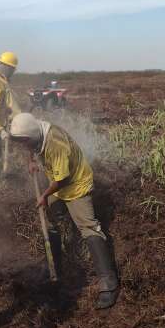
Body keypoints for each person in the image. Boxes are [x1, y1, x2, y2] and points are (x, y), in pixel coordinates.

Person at [8, 112, 120, 310]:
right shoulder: (37, 132)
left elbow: (62, 180)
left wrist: (43, 196)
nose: (23, 145)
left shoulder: (55, 143)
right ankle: (56, 269)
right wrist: (31, 160)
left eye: (24, 141)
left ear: (30, 136)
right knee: (50, 221)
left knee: (88, 227)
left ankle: (108, 283)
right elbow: (30, 145)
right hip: (59, 183)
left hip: (75, 184)